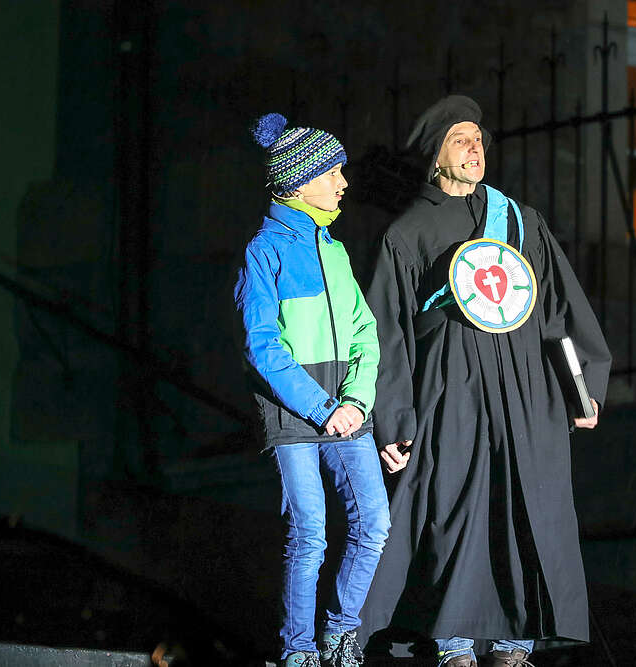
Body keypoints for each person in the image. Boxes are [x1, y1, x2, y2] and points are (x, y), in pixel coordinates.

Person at [359, 95, 611, 667]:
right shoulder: (407, 234)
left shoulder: (521, 223)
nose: (476, 149)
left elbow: (559, 312)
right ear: (435, 157)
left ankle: (514, 644)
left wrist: (582, 389)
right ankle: (453, 642)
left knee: (528, 509)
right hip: (452, 395)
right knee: (456, 510)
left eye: (479, 139)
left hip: (528, 395)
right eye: (461, 139)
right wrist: (393, 419)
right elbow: (388, 334)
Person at [234, 113, 389, 667]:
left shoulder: (334, 249)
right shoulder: (264, 250)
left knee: (374, 524)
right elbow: (262, 345)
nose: (343, 182)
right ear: (298, 183)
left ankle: (341, 634)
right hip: (296, 412)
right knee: (310, 534)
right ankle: (298, 649)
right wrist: (323, 407)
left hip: (345, 409)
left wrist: (356, 401)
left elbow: (365, 329)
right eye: (332, 173)